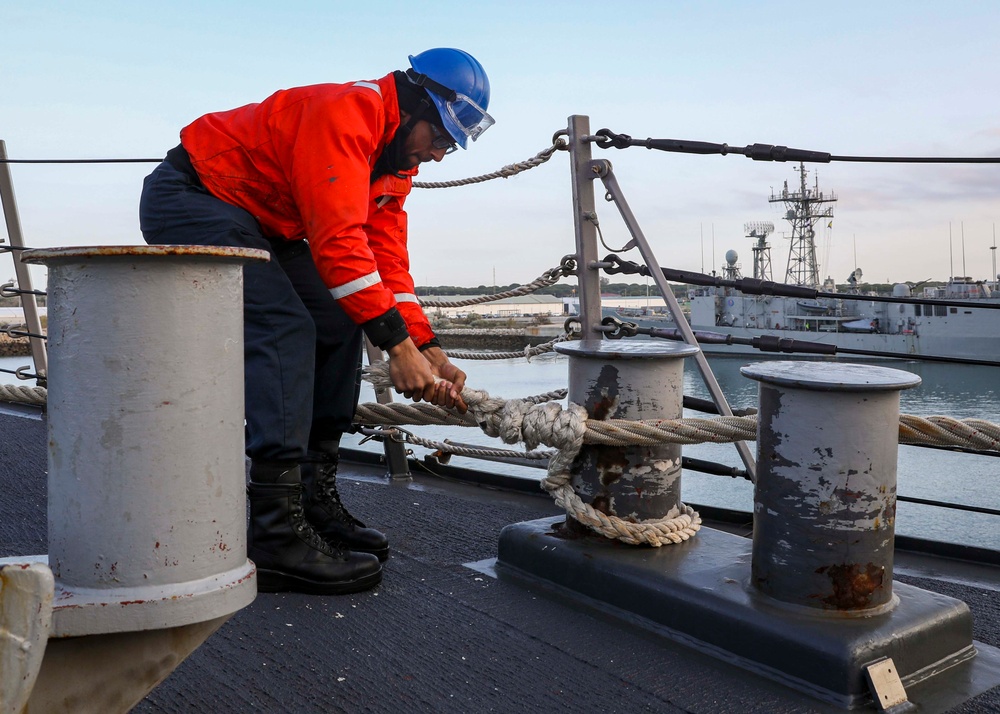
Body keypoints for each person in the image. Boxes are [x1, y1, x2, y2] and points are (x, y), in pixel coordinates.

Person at [138, 48, 493, 595]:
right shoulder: (346, 114)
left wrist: (428, 345)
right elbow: (337, 245)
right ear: (416, 103)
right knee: (285, 326)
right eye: (442, 137)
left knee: (334, 318)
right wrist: (396, 349)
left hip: (259, 222)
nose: (441, 154)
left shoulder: (395, 163)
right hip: (191, 199)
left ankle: (309, 498)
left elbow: (387, 264)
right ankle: (275, 534)